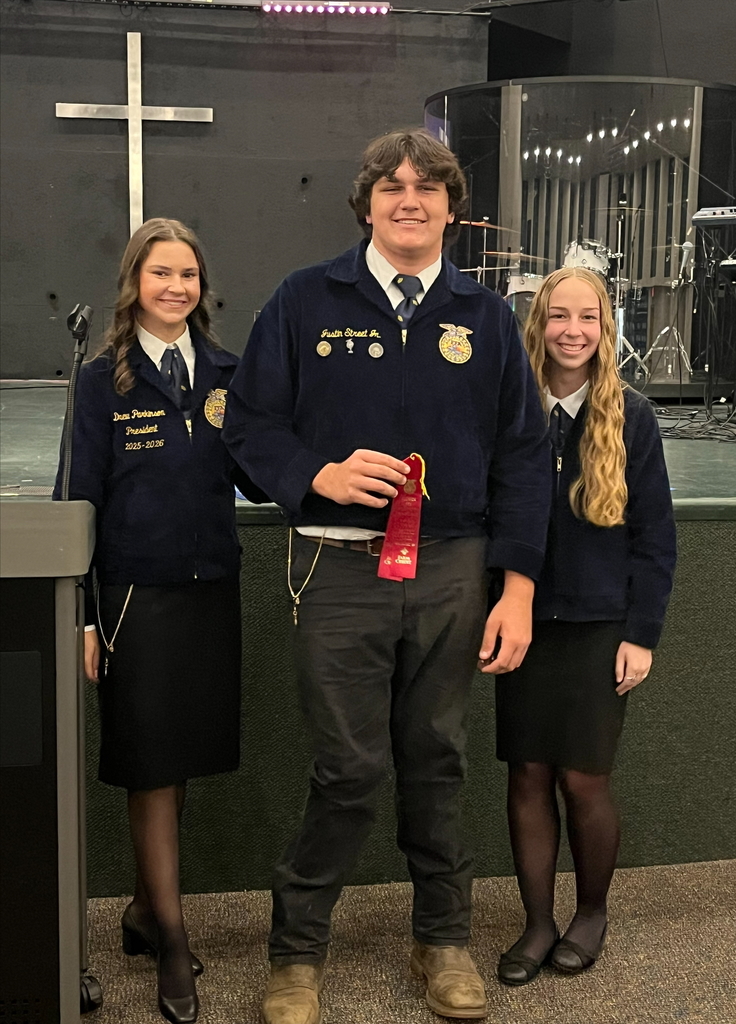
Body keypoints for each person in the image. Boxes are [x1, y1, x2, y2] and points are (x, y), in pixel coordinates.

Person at [223, 128, 550, 1024]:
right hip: (335, 567)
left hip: (453, 569)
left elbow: (524, 458)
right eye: (393, 185)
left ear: (452, 207)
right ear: (366, 203)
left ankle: (440, 938)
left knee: (437, 760)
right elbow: (247, 427)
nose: (411, 198)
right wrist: (313, 476)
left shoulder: (483, 317)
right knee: (347, 767)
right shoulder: (302, 300)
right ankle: (296, 955)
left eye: (429, 186)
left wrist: (516, 586)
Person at [54, 218, 248, 1024]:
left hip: (211, 592)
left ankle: (142, 908)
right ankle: (170, 936)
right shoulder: (101, 380)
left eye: (189, 275)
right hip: (135, 600)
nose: (176, 287)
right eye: (161, 273)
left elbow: (261, 469)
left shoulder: (231, 375)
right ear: (134, 282)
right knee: (151, 766)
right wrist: (83, 617)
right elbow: (76, 501)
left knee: (181, 758)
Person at [494, 267, 677, 988]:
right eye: (559, 316)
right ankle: (537, 921)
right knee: (528, 775)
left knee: (583, 781)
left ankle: (590, 912)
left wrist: (643, 634)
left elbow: (657, 540)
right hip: (522, 626)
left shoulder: (633, 416)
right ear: (537, 324)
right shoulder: (511, 413)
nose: (573, 330)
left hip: (602, 627)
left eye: (589, 318)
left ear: (607, 330)